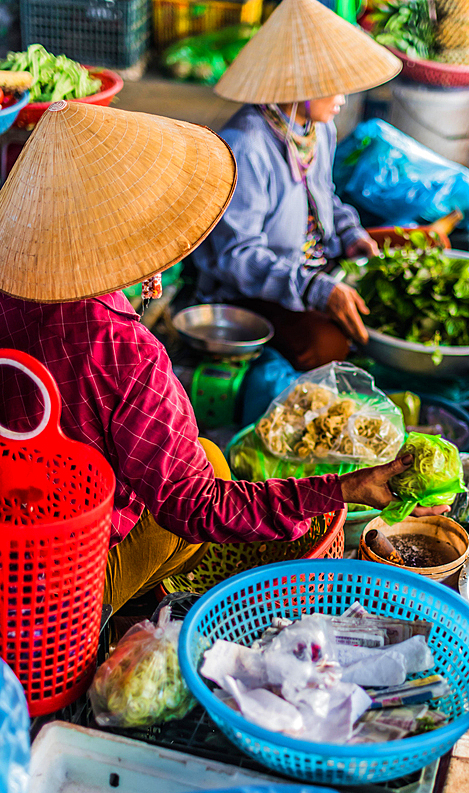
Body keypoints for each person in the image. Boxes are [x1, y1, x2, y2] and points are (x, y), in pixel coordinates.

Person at [0, 100, 446, 617]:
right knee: (200, 474)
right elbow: (196, 506)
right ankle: (103, 619)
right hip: (47, 592)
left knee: (202, 457)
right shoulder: (126, 352)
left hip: (20, 512)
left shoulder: (15, 280)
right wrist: (341, 488)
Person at [193, 0, 402, 371]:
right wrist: (312, 288)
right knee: (328, 344)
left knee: (404, 252)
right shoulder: (246, 144)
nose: (343, 97)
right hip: (255, 287)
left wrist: (351, 234)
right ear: (300, 85)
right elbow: (236, 256)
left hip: (314, 260)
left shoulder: (319, 129)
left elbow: (325, 197)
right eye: (332, 85)